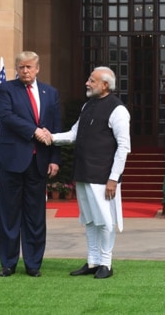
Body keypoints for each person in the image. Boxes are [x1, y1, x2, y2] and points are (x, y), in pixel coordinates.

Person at [47, 66, 130, 279]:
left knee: (105, 220)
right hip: (83, 173)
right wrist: (51, 137)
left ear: (105, 85)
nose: (87, 83)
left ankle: (106, 263)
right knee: (90, 220)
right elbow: (74, 134)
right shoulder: (88, 105)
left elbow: (123, 147)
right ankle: (93, 261)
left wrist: (113, 178)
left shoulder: (118, 110)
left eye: (92, 80)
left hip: (103, 176)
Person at [0, 51, 61, 277]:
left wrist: (54, 158)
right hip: (12, 161)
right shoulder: (6, 89)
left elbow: (55, 128)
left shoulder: (50, 93)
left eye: (29, 67)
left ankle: (33, 264)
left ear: (37, 68)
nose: (25, 71)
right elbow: (7, 117)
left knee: (35, 216)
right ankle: (9, 263)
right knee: (10, 214)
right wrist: (34, 132)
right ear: (17, 68)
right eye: (21, 67)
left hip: (39, 162)